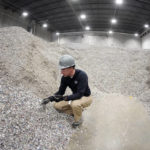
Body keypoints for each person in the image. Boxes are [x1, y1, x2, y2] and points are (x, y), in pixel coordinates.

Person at [41, 54, 92, 128]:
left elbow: (80, 94)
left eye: (63, 69)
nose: (61, 72)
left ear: (71, 68)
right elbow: (60, 92)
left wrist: (67, 98)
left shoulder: (82, 75)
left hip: (86, 97)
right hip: (75, 97)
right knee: (56, 106)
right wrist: (50, 98)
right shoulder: (64, 78)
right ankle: (77, 112)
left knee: (75, 104)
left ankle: (78, 120)